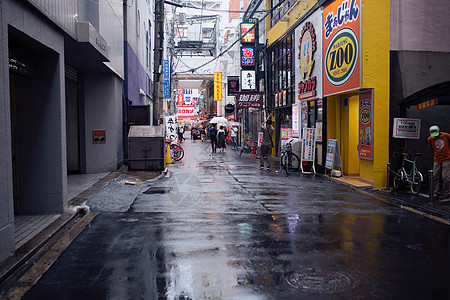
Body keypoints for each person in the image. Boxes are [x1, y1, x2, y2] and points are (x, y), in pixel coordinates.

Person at [428, 125, 450, 200]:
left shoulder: (446, 136)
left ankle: (446, 193)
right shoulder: (430, 139)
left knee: (446, 178)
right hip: (437, 159)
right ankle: (435, 192)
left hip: (447, 158)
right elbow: (432, 147)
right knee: (435, 176)